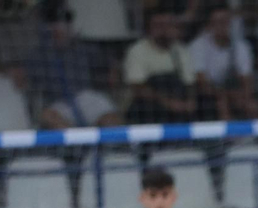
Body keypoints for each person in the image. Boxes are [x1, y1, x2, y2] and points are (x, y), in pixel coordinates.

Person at [23, 1, 121, 131]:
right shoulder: (38, 55)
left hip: (85, 96)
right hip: (57, 102)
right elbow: (28, 82)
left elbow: (109, 64)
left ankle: (113, 143)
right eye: (53, 26)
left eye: (63, 24)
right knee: (48, 116)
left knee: (111, 118)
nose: (59, 29)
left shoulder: (84, 47)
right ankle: (81, 142)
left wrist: (113, 71)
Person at [124, 10, 197, 124]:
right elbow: (137, 87)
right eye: (158, 25)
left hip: (178, 107)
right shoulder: (137, 50)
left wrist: (190, 101)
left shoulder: (180, 50)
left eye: (168, 25)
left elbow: (189, 82)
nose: (164, 30)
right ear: (149, 29)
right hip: (148, 109)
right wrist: (168, 103)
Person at [189, 5, 256, 122]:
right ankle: (229, 133)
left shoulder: (241, 46)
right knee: (221, 101)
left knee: (252, 104)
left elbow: (247, 80)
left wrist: (244, 96)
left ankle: (257, 132)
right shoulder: (198, 45)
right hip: (208, 95)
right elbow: (201, 82)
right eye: (218, 22)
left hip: (234, 91)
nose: (223, 26)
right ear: (209, 25)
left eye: (226, 21)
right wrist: (225, 95)